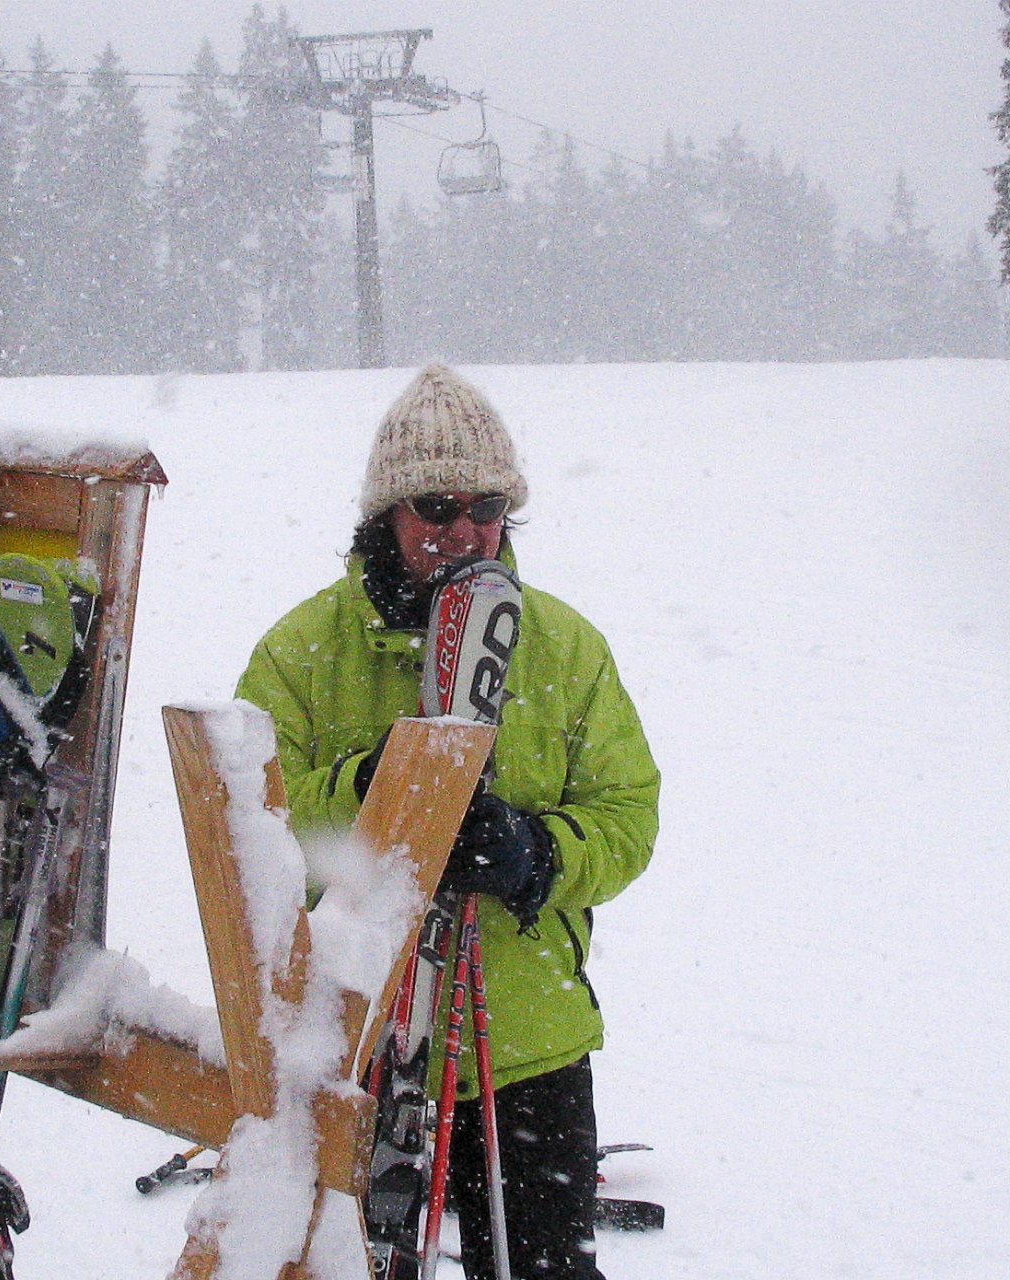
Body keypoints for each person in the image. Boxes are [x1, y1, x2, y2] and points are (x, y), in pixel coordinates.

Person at [235, 364, 660, 1280]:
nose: (464, 529)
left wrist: (533, 854)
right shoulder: (302, 653)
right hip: (356, 1046)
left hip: (527, 1050)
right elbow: (254, 839)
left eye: (487, 507)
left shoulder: (566, 648)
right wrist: (378, 795)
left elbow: (627, 816)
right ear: (386, 516)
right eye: (435, 505)